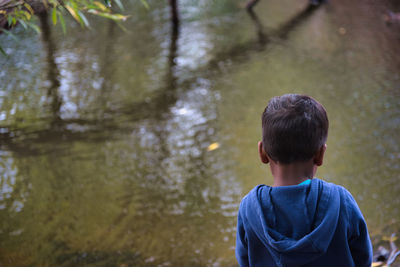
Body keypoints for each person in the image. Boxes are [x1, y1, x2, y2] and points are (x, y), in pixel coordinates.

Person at [236, 94, 372, 267]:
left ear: (262, 152)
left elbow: (245, 261)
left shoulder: (249, 209)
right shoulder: (341, 201)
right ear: (320, 154)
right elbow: (363, 258)